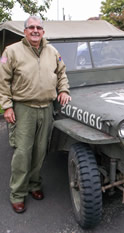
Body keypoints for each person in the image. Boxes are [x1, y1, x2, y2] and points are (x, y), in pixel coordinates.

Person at [0, 15, 71, 213]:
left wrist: (64, 90)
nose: (35, 30)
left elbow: (61, 73)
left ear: (43, 31)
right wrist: (7, 106)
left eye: (39, 27)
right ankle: (17, 193)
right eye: (31, 27)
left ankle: (34, 185)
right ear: (25, 31)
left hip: (47, 108)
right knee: (22, 153)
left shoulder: (52, 51)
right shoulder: (11, 51)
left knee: (40, 151)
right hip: (24, 109)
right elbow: (3, 80)